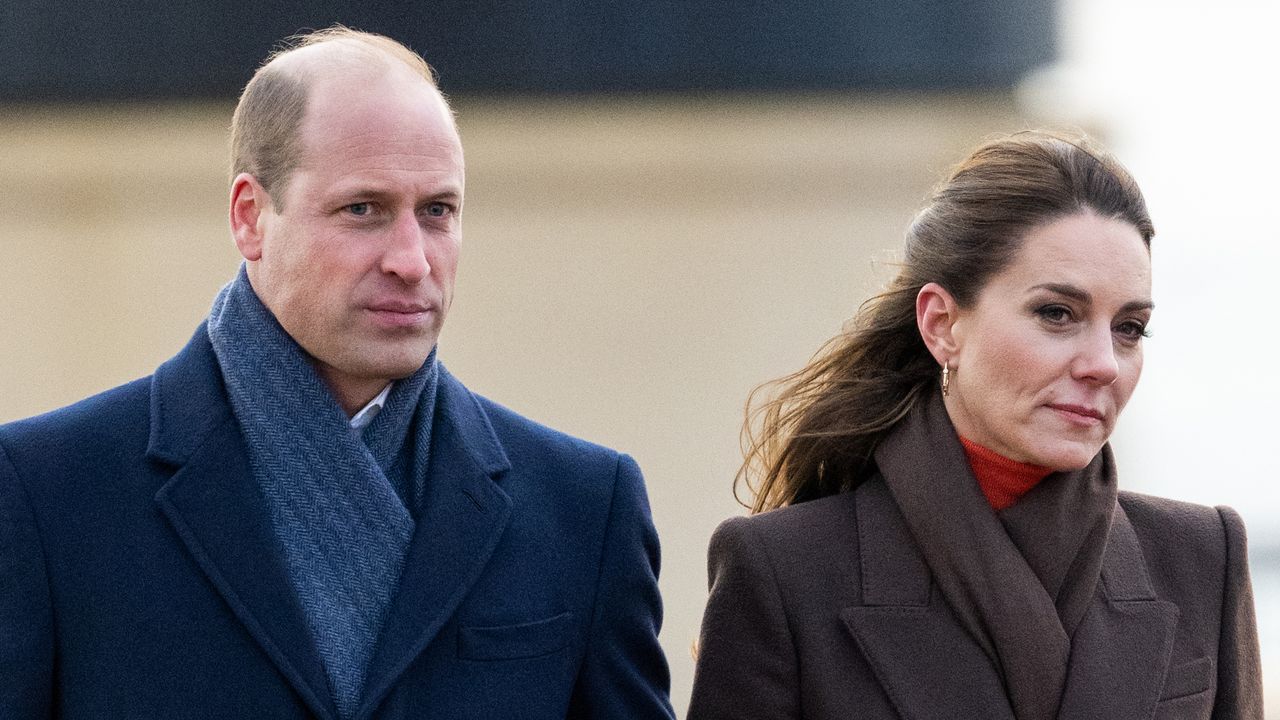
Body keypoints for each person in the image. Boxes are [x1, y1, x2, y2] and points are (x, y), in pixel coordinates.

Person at [0, 27, 673, 720]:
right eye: (363, 210)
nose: (411, 260)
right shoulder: (47, 492)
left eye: (437, 211)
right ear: (250, 217)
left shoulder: (584, 509)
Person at [688, 131, 1263, 719]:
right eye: (1056, 314)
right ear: (942, 324)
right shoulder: (785, 571)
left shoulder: (1199, 557)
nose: (1102, 364)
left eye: (1130, 328)